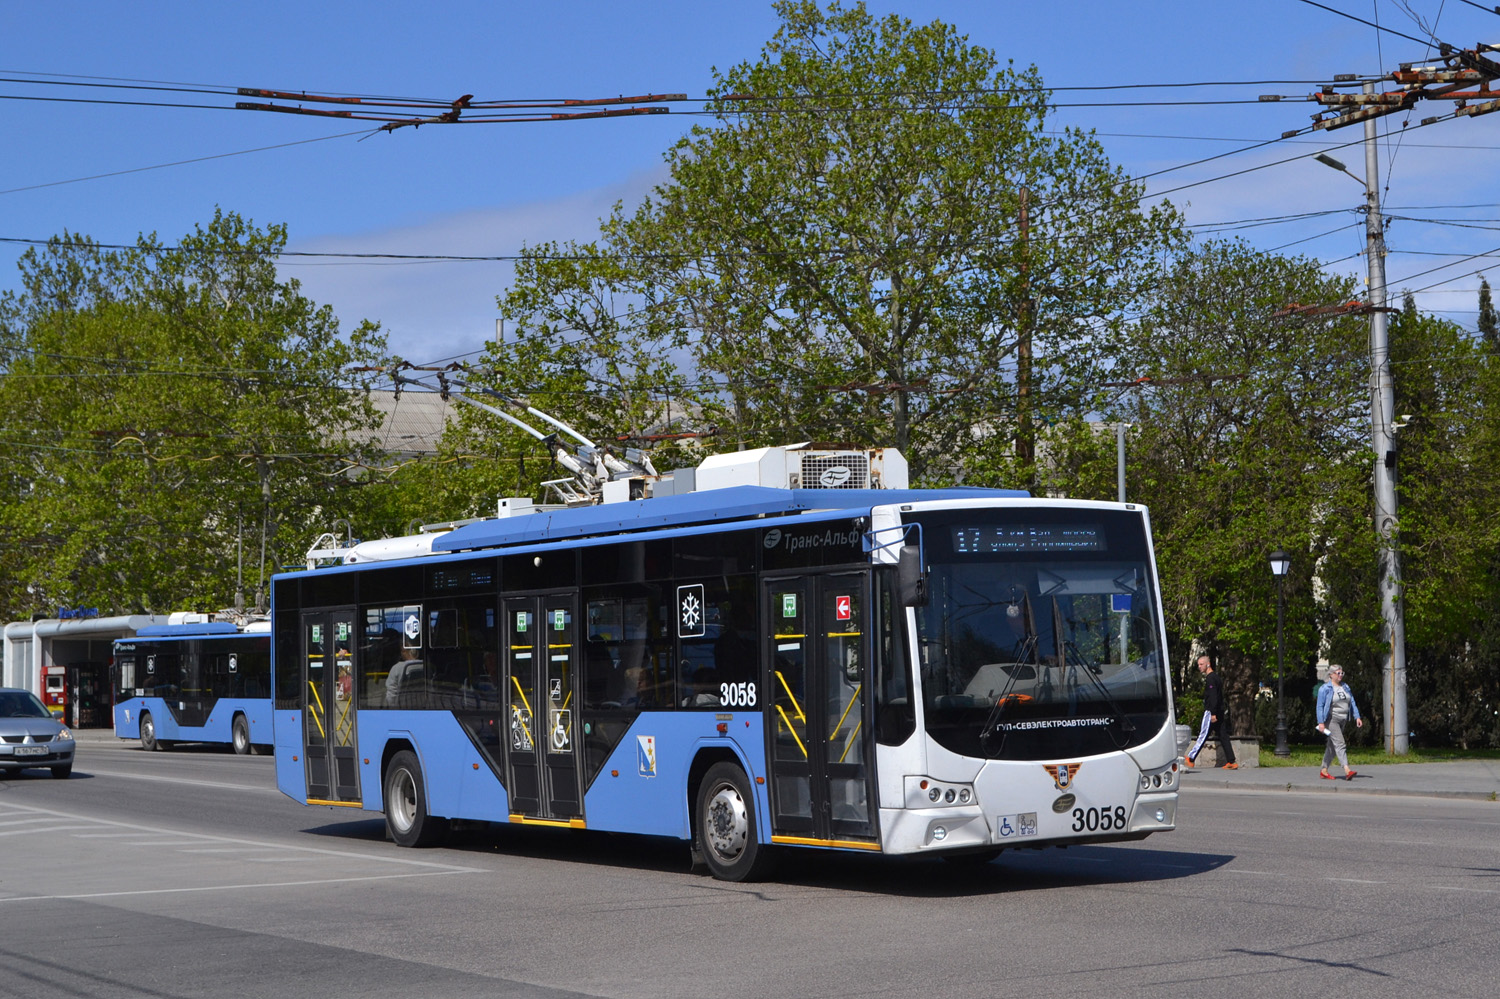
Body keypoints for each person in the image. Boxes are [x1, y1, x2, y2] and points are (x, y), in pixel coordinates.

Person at [1184, 654, 1238, 769]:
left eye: (1201, 664)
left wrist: (1212, 713)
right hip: (1219, 711)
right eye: (1198, 664)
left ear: (1208, 664)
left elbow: (1213, 696)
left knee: (1203, 734)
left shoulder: (1210, 678)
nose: (1199, 667)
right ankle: (1231, 761)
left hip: (1211, 712)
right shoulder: (1216, 677)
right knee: (1223, 735)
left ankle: (1191, 758)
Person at [1316, 665, 1363, 780]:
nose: (1340, 675)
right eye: (1338, 673)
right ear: (1331, 675)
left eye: (1342, 673)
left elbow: (1352, 701)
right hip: (1332, 720)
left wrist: (1357, 717)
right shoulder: (1325, 688)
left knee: (1332, 746)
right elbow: (1319, 706)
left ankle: (1324, 770)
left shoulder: (1345, 687)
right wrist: (1321, 723)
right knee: (1340, 743)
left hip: (1343, 719)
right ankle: (1347, 770)